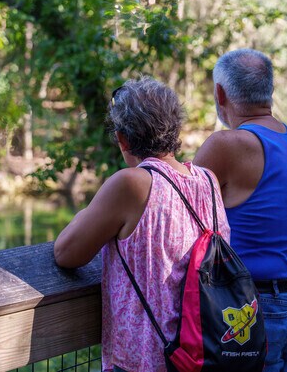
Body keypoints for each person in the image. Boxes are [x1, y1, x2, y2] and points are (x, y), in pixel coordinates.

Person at [53, 76, 230, 372]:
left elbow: (66, 253)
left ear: (123, 139)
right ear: (176, 130)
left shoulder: (131, 183)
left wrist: (87, 213)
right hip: (201, 353)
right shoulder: (207, 180)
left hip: (147, 361)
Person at [193, 48, 287, 372]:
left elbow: (180, 205)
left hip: (256, 309)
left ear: (220, 94)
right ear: (270, 91)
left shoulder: (226, 145)